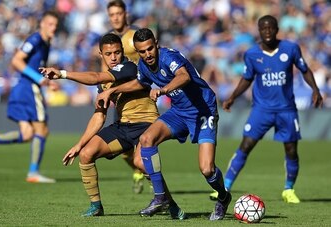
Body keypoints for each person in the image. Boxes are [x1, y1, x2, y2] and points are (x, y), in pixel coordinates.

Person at [40, 33, 186, 219]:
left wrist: (62, 74)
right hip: (124, 126)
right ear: (101, 54)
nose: (114, 57)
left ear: (123, 52)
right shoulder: (104, 83)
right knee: (86, 154)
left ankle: (170, 203)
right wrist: (79, 144)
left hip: (147, 123)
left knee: (141, 162)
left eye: (117, 52)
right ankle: (96, 206)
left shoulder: (129, 67)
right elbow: (99, 116)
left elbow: (95, 76)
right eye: (108, 54)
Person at [96, 28, 231, 221]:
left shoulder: (169, 57)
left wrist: (164, 90)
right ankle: (161, 198)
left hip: (203, 110)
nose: (147, 54)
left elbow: (184, 76)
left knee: (207, 169)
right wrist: (112, 91)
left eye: (150, 49)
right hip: (179, 112)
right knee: (146, 139)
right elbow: (140, 84)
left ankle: (224, 197)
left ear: (156, 44)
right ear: (137, 51)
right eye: (142, 51)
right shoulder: (143, 65)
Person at [209, 15, 323, 203]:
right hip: (261, 110)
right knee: (245, 146)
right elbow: (247, 78)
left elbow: (305, 70)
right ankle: (225, 187)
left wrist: (316, 89)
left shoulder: (290, 48)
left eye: (271, 28)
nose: (267, 31)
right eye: (263, 28)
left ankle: (289, 189)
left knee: (291, 150)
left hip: (286, 109)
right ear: (259, 31)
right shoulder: (252, 54)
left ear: (277, 29)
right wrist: (232, 97)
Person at [0, 11, 59, 183]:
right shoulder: (35, 39)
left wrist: (48, 81)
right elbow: (16, 60)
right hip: (28, 88)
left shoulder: (46, 42)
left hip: (23, 88)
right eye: (50, 24)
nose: (54, 28)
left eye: (56, 25)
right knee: (42, 130)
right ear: (42, 24)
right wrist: (38, 79)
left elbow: (37, 66)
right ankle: (33, 173)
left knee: (28, 134)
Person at [106, 0, 145, 193]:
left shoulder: (136, 34)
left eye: (118, 13)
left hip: (139, 95)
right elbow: (104, 69)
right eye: (112, 15)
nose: (115, 18)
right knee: (123, 151)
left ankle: (154, 180)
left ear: (125, 14)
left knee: (143, 141)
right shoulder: (108, 39)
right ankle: (138, 170)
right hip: (119, 96)